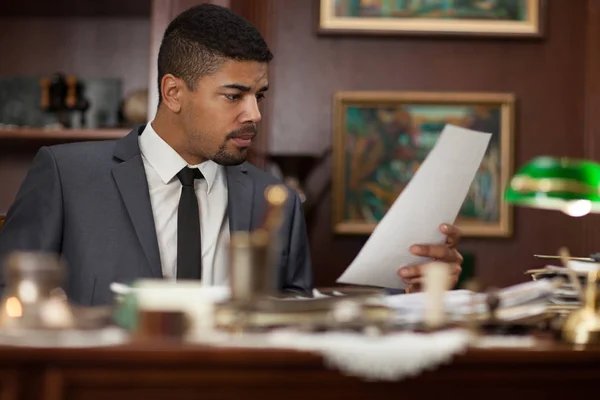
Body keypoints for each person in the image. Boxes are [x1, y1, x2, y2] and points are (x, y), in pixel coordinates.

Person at [0, 4, 462, 305]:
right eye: (235, 95)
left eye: (260, 95)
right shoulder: (66, 175)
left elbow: (297, 323)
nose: (254, 114)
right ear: (174, 92)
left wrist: (409, 293)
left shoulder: (277, 199)